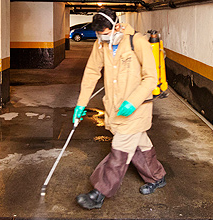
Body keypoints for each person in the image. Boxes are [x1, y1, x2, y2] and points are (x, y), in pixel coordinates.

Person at [73, 8, 167, 210]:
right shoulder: (100, 45)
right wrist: (81, 103)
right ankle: (157, 176)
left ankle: (99, 193)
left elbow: (151, 77)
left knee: (120, 149)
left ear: (116, 26)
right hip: (115, 108)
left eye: (105, 34)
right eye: (99, 35)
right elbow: (91, 72)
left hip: (137, 107)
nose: (102, 38)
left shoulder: (137, 42)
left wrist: (133, 101)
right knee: (140, 145)